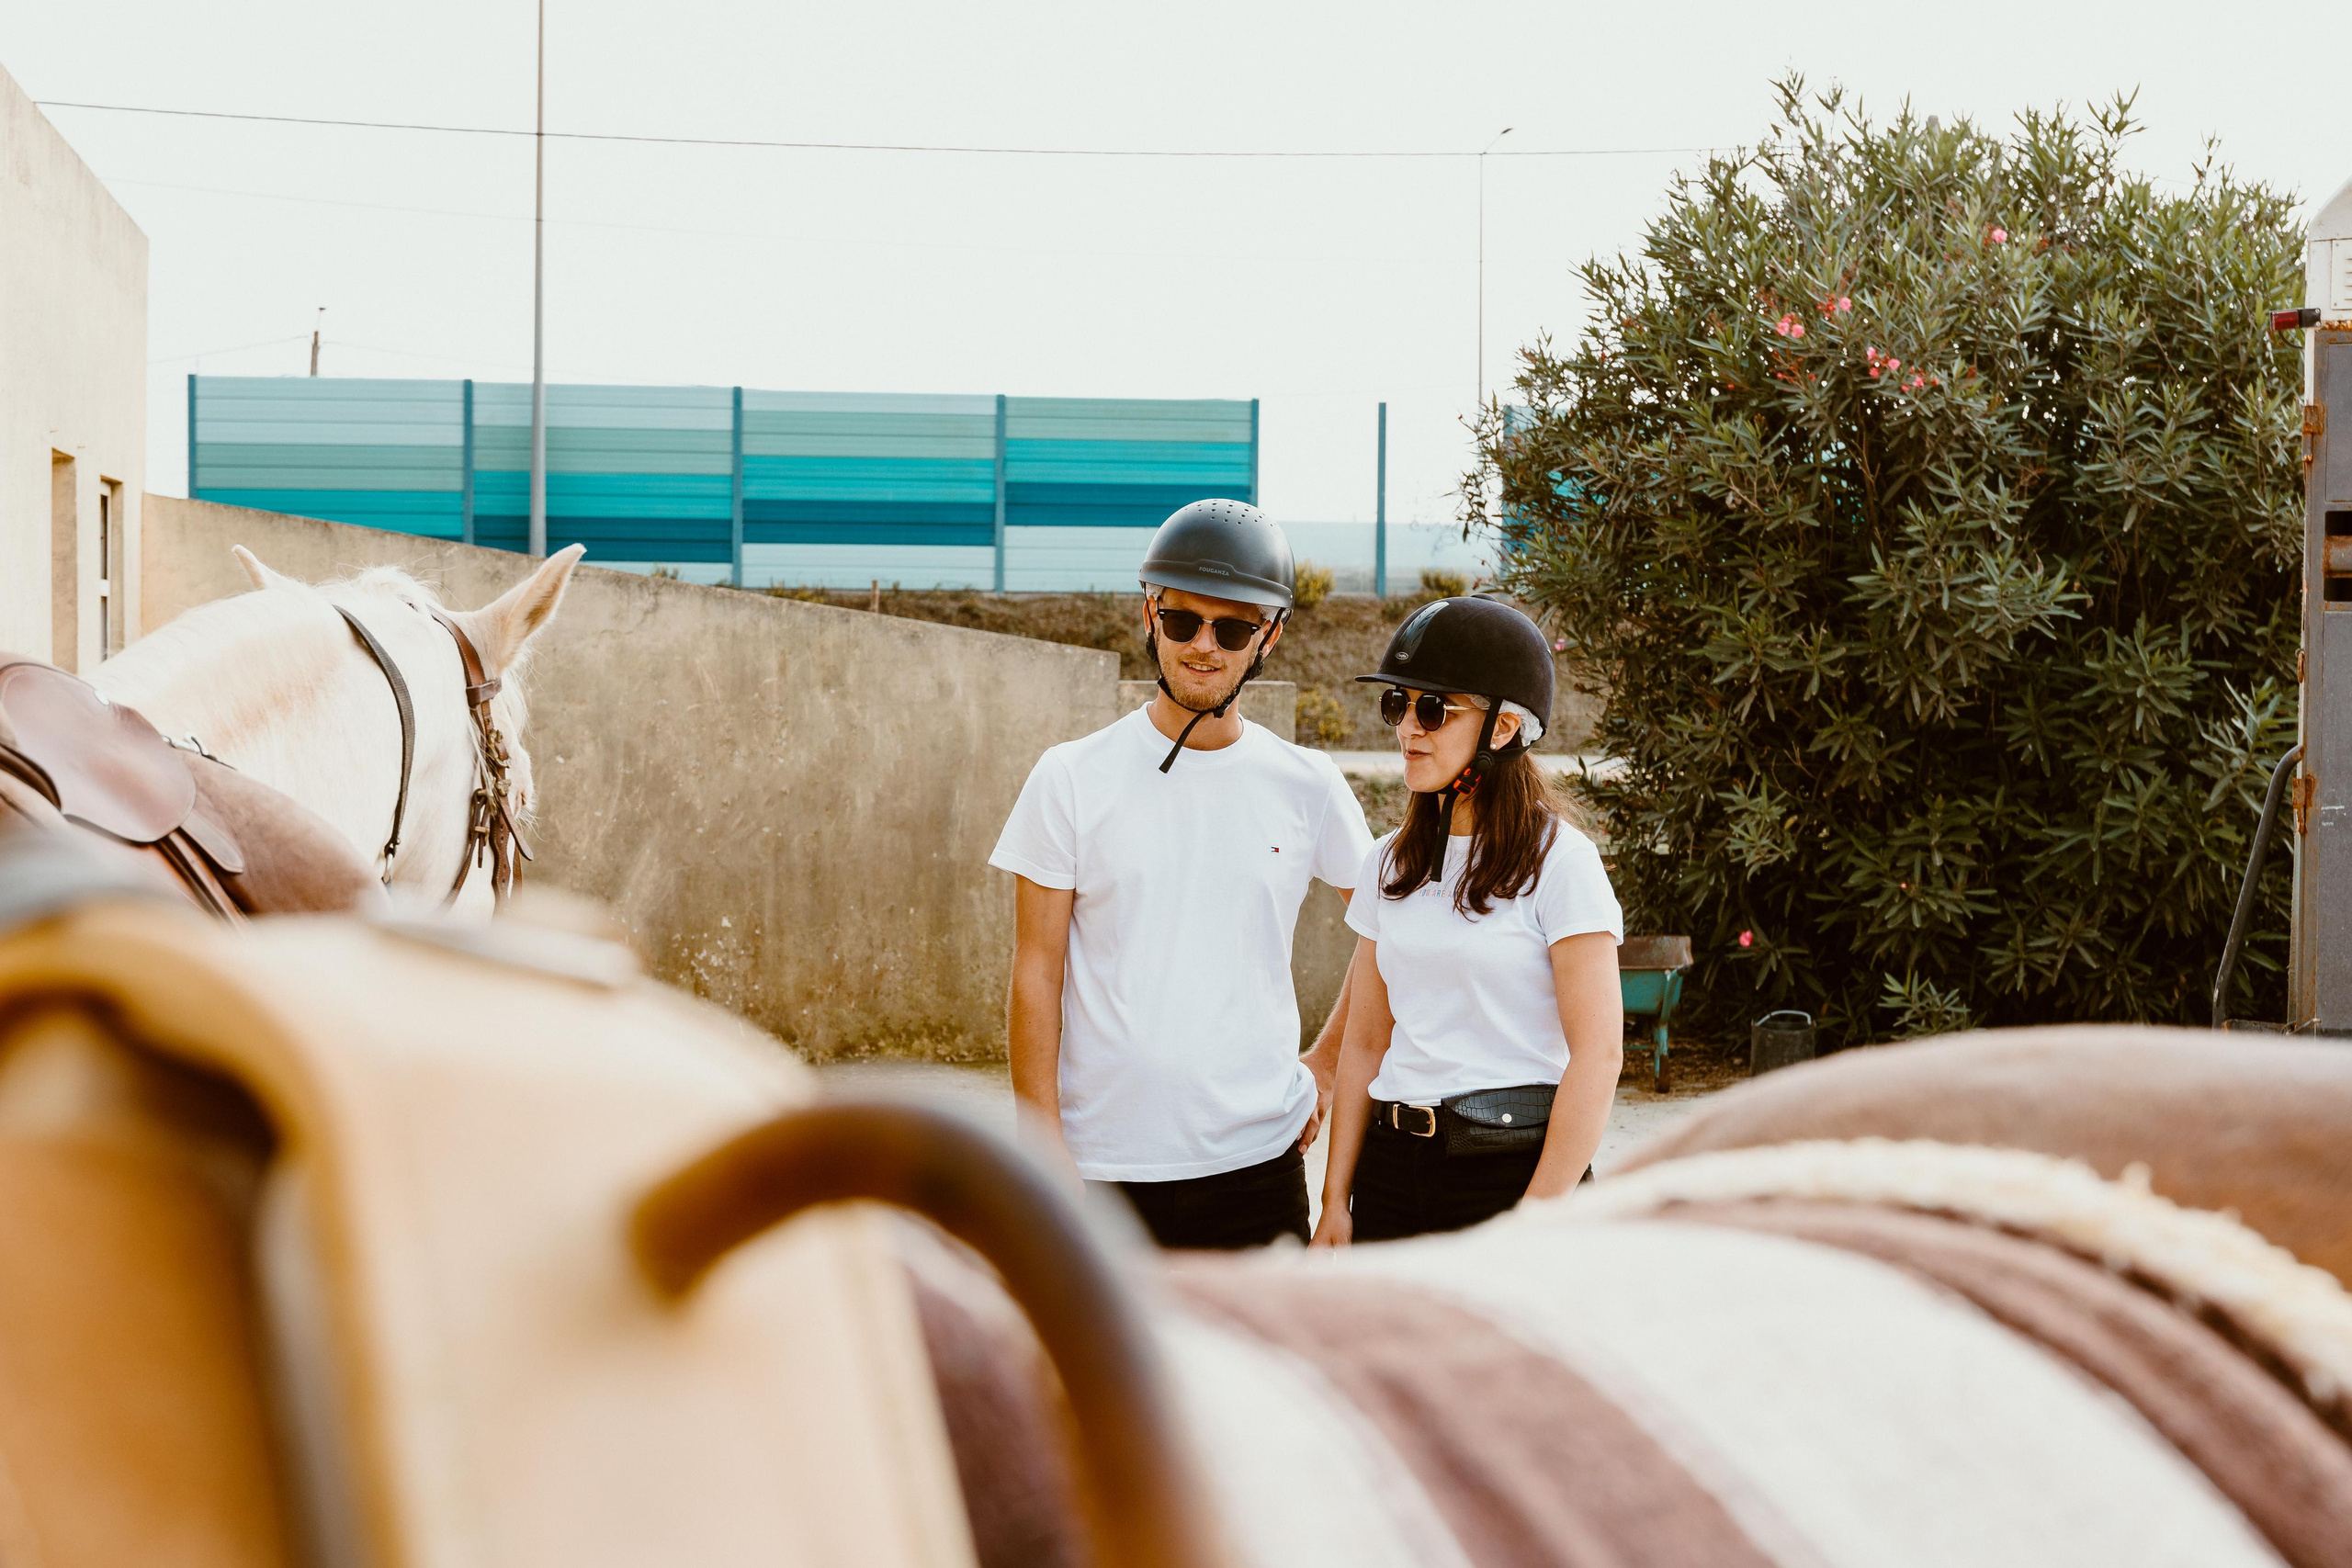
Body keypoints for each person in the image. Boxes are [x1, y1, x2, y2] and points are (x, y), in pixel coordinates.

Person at [990, 500, 1374, 1249]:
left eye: (1232, 628)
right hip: (1099, 1169)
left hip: (1257, 1165)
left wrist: (1324, 1068)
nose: (1204, 646)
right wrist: (1045, 1152)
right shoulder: (1069, 776)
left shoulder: (1309, 783)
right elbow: (1035, 971)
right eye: (1182, 622)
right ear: (1148, 615)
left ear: (1270, 636)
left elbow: (1391, 936)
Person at [1310, 595, 1623, 1246]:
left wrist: (1536, 1218)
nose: (1407, 729)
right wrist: (1336, 1199)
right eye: (1398, 704)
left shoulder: (1562, 863)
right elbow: (1366, 1041)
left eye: (1434, 708)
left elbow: (1599, 1055)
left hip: (1506, 1171)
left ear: (1504, 728)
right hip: (1390, 1172)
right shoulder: (1387, 863)